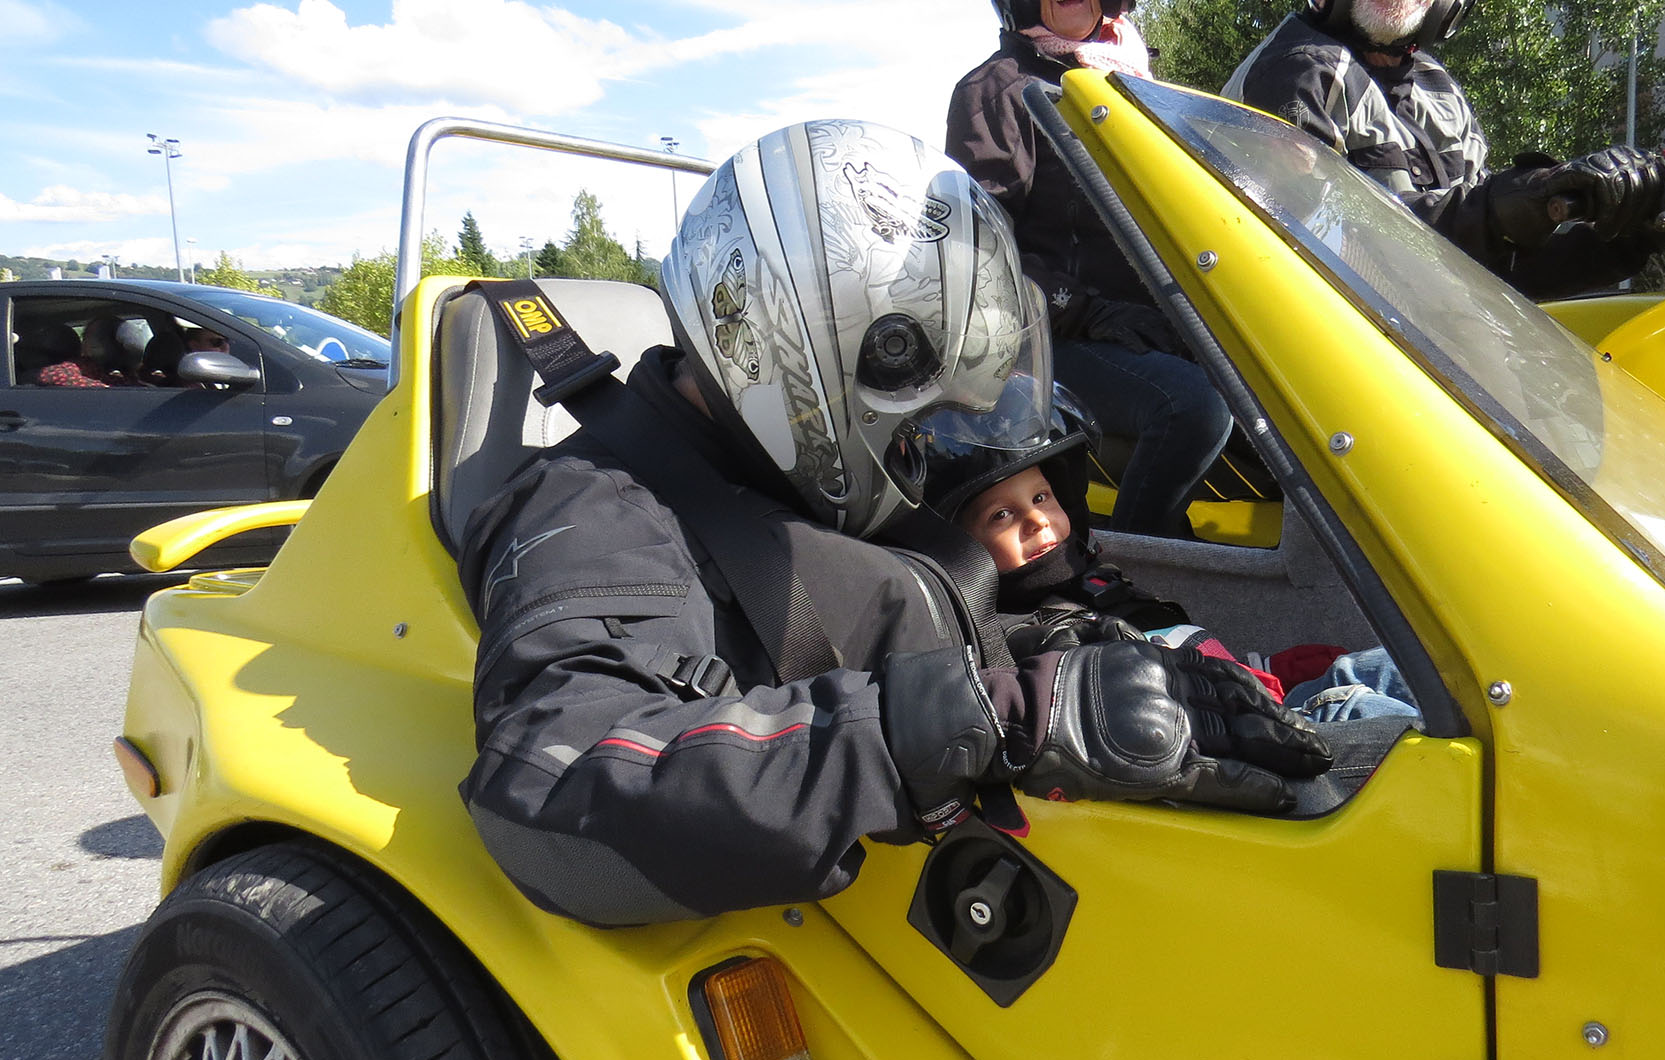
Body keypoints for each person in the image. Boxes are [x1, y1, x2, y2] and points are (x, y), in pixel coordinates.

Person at [456, 120, 1334, 928]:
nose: (930, 436)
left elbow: (890, 609)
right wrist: (990, 721)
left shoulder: (791, 462)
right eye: (917, 400)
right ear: (780, 351)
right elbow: (554, 779)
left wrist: (1089, 655)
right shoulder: (593, 509)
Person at [918, 387, 1422, 724]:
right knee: (1382, 717)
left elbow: (1174, 641)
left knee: (1405, 669)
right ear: (962, 549)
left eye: (1042, 497)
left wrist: (1263, 668)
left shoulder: (1092, 584)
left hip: (1262, 697)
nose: (1036, 520)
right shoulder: (1033, 641)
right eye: (1001, 517)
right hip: (1262, 735)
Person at [947, 0, 1234, 536]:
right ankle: (1134, 571)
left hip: (1152, 321)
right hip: (1050, 335)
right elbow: (984, 250)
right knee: (1193, 407)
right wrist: (1091, 312)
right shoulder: (997, 91)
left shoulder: (1131, 80)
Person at [1223, 0, 1665, 298]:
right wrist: (1518, 203)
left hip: (1426, 359)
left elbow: (1491, 274)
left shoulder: (1434, 87)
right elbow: (1346, 256)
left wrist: (1637, 229)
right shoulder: (1297, 73)